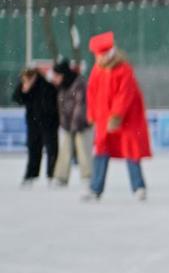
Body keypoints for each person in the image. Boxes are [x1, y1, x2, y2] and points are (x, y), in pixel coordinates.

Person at [84, 31, 152, 201]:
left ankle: (139, 187)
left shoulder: (124, 70)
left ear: (108, 55)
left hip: (127, 120)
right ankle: (95, 188)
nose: (97, 59)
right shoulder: (97, 71)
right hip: (102, 118)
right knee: (101, 150)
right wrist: (92, 113)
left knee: (131, 151)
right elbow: (91, 93)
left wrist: (116, 116)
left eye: (99, 56)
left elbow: (125, 94)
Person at [12, 67, 58, 186]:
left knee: (51, 149)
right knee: (33, 149)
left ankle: (51, 175)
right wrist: (23, 90)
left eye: (27, 79)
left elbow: (50, 105)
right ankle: (31, 175)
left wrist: (47, 116)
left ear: (33, 77)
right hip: (33, 123)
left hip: (49, 123)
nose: (25, 81)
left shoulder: (46, 86)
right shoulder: (25, 85)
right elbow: (17, 99)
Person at [51, 58, 92, 188]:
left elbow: (81, 106)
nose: (55, 78)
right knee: (65, 150)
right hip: (68, 125)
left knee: (83, 150)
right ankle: (61, 177)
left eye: (57, 75)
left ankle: (87, 176)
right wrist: (65, 124)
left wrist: (75, 125)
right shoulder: (62, 85)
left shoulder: (79, 83)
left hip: (82, 124)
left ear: (63, 74)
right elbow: (62, 107)